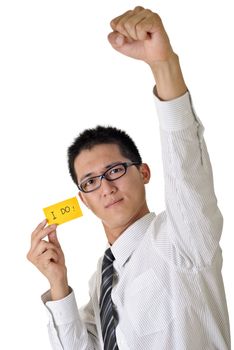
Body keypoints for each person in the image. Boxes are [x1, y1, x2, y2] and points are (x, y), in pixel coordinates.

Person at [27, 6, 231, 350]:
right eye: (90, 181)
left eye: (115, 170)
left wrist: (164, 64)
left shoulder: (182, 237)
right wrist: (58, 282)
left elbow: (185, 167)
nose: (105, 186)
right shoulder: (102, 281)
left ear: (144, 172)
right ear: (83, 200)